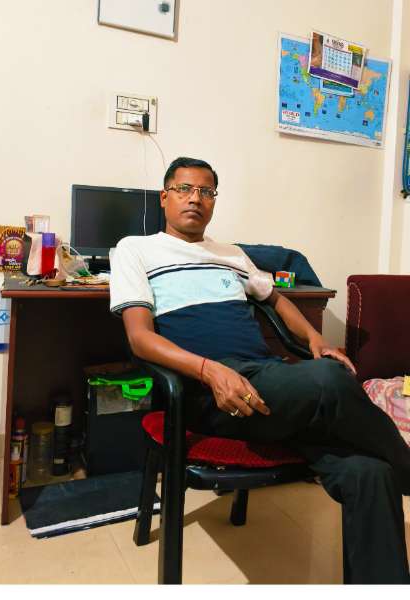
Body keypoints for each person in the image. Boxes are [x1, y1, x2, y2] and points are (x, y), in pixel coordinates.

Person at [110, 156, 410, 584]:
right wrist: (209, 371)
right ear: (164, 197)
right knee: (331, 378)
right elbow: (140, 338)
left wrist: (316, 339)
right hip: (208, 393)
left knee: (370, 472)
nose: (195, 199)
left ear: (214, 200)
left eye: (206, 191)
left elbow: (276, 299)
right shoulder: (135, 249)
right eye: (184, 189)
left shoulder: (232, 254)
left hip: (268, 382)